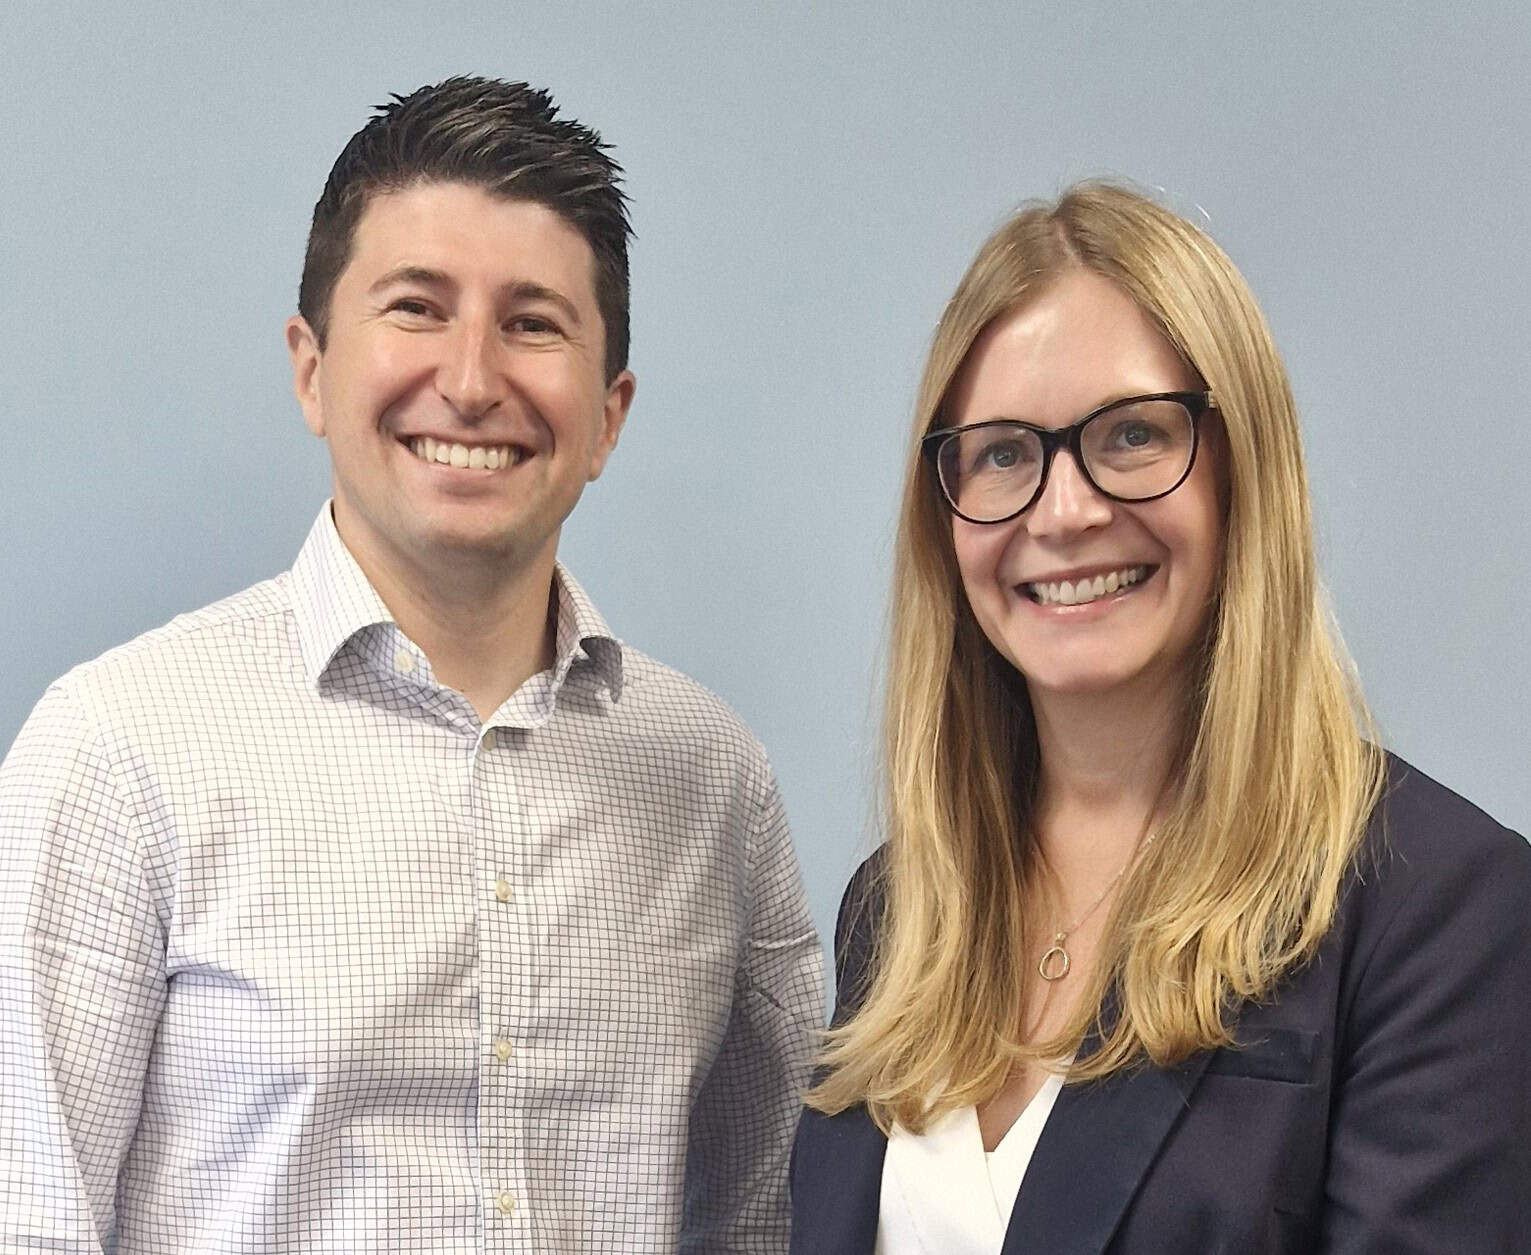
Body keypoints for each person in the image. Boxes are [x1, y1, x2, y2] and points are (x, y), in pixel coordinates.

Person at [0, 76, 823, 1253]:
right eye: (416, 307)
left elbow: (760, 1223)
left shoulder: (712, 783)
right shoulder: (117, 751)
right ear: (310, 368)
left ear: (608, 414)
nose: (474, 378)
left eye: (534, 321)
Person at [790, 182, 1531, 1253]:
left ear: (1244, 472)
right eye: (1002, 452)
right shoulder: (898, 907)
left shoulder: (1440, 913)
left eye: (1131, 434)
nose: (1065, 509)